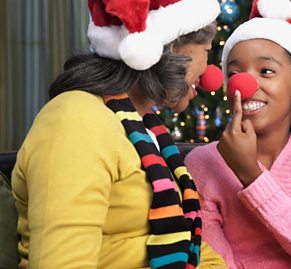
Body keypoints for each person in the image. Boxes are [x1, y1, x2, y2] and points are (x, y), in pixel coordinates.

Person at [11, 0, 226, 268]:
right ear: (171, 49)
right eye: (207, 50)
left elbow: (185, 241)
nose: (210, 71)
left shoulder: (144, 127)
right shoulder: (76, 119)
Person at [184, 0, 291, 268]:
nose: (245, 85)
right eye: (235, 73)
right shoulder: (201, 163)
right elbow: (217, 264)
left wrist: (251, 174)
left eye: (266, 71)